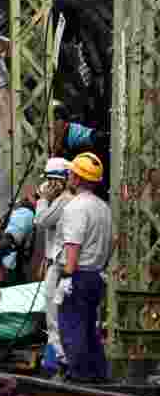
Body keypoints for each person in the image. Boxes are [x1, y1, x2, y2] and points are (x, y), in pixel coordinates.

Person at [57, 152, 111, 384]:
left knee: (71, 325)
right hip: (96, 275)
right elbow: (113, 241)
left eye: (71, 173)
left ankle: (79, 376)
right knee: (90, 328)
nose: (68, 176)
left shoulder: (76, 207)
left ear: (78, 179)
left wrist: (67, 275)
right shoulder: (103, 208)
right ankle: (97, 373)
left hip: (78, 274)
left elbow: (73, 243)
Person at [34, 157, 73, 377]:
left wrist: (42, 199)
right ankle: (55, 359)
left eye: (53, 181)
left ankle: (59, 361)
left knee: (55, 317)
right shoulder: (63, 200)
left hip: (59, 267)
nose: (49, 186)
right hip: (55, 263)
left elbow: (40, 221)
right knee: (54, 316)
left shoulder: (64, 201)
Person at [0, 189, 37, 286]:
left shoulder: (24, 212)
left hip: (8, 267)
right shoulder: (26, 212)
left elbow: (8, 238)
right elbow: (8, 238)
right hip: (10, 268)